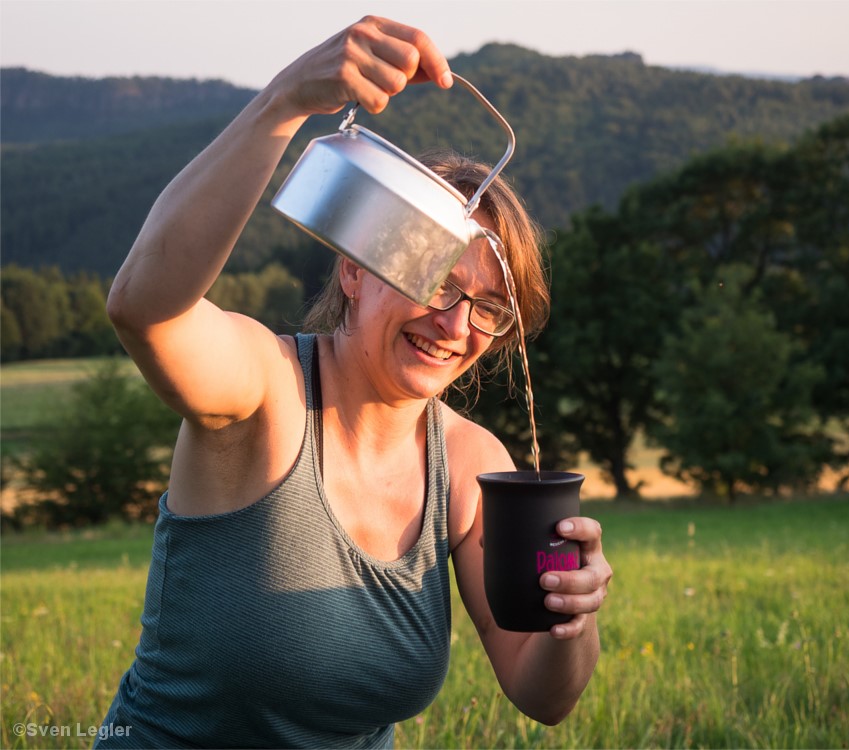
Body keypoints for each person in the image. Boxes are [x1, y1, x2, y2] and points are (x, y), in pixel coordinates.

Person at [96, 15, 612, 749]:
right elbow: (143, 310)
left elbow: (541, 692)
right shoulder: (265, 391)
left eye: (488, 308)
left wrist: (572, 617)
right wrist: (285, 101)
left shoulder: (469, 466)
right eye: (434, 279)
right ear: (355, 269)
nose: (456, 324)